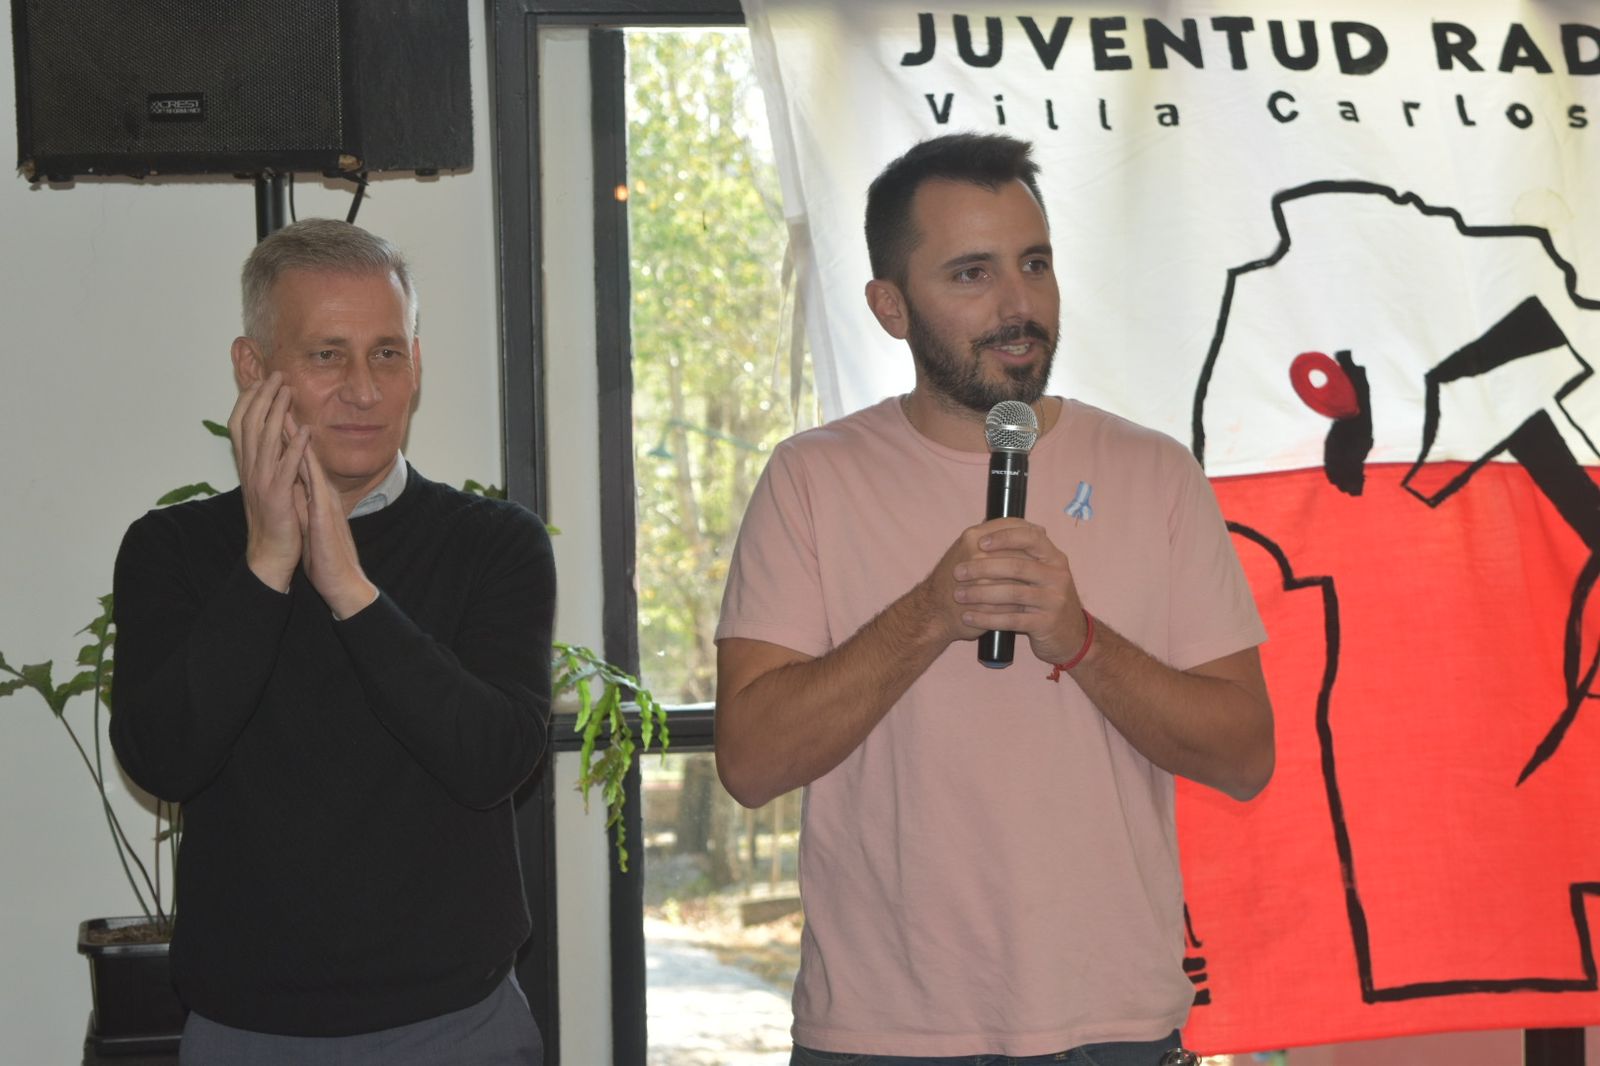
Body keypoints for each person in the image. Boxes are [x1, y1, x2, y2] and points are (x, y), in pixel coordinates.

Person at [713, 133, 1274, 1064]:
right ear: (890, 307)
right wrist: (932, 613)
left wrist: (1081, 640)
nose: (1020, 305)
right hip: (882, 1035)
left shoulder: (1156, 474)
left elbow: (1246, 756)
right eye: (972, 274)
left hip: (1114, 1030)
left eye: (1035, 264)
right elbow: (751, 761)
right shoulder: (812, 479)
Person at [110, 219, 552, 1064]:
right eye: (326, 355)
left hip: (459, 1024)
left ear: (416, 364)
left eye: (387, 354)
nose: (364, 390)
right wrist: (267, 562)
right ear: (253, 369)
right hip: (246, 1029)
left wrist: (349, 586)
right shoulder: (172, 551)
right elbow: (162, 759)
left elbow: (494, 758)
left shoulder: (494, 543)